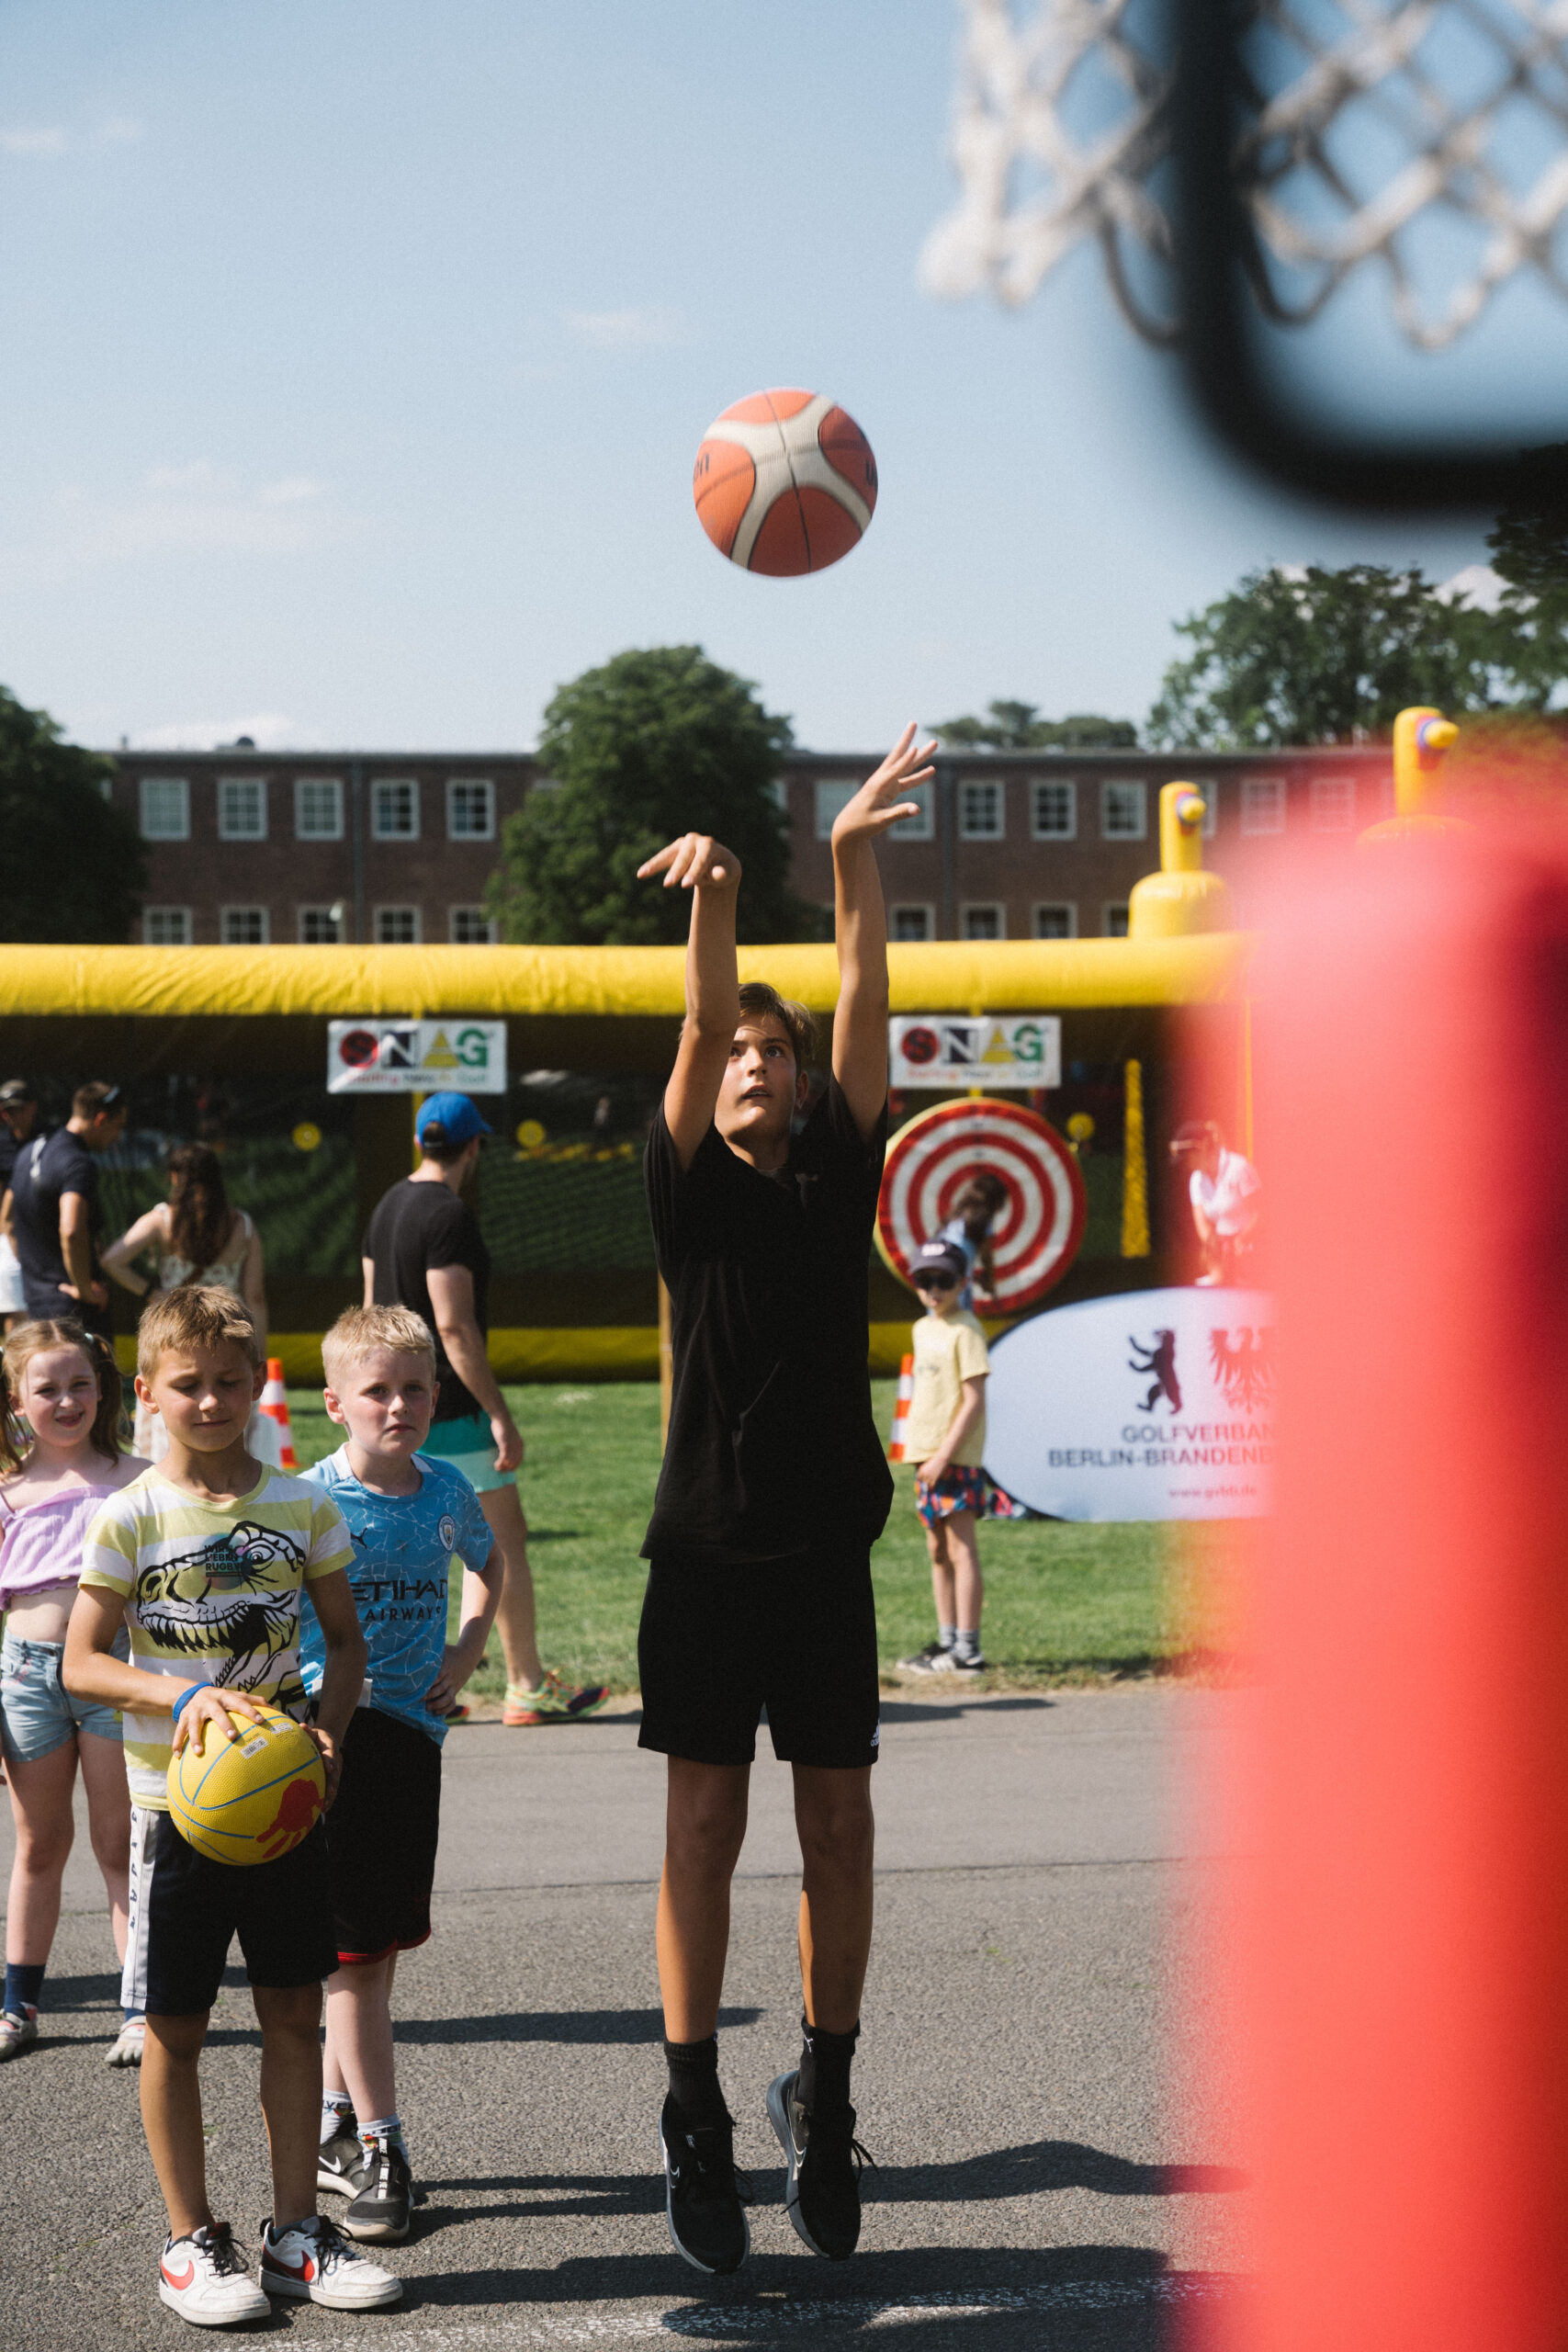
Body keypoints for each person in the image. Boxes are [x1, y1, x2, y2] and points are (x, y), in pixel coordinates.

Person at [635, 722, 934, 2276]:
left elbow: (867, 979)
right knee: (700, 1823)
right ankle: (695, 2113)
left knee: (837, 1827)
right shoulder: (685, 1183)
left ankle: (824, 2095)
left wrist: (847, 857)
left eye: (778, 1049)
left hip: (823, 1551)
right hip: (700, 1553)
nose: (758, 1054)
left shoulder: (838, 1169)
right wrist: (719, 899)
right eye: (741, 1049)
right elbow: (695, 1024)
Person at [62, 1286, 401, 2326]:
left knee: (295, 2016)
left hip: (284, 1809)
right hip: (178, 1813)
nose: (210, 1400)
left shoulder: (303, 1506)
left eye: (229, 1381)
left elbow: (343, 1644)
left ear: (258, 1384)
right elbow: (80, 1661)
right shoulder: (129, 1514)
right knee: (175, 2028)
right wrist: (181, 1693)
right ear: (151, 1394)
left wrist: (330, 1728)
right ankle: (188, 2239)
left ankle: (296, 2231)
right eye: (187, 1384)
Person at [301, 1305, 502, 2245]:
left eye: (415, 1386)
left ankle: (335, 2129)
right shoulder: (309, 1501)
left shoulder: (448, 1489)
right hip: (335, 1739)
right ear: (335, 1401)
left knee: (375, 1954)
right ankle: (382, 2146)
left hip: (414, 1739)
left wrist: (468, 1647)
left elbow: (491, 1564)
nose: (399, 1405)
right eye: (376, 1390)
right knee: (349, 1958)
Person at [361, 1091, 605, 1728]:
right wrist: (498, 1412)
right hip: (448, 1407)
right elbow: (455, 1327)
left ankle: (417, 1684)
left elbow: (369, 1317)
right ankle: (525, 1683)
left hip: (393, 1406)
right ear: (475, 1146)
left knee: (408, 1546)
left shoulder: (387, 1205)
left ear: (420, 1141)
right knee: (498, 1543)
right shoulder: (448, 1215)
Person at [0, 1319, 145, 2065]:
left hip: (115, 1676)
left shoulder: (137, 1479)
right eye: (46, 1388)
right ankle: (17, 2002)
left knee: (120, 1846)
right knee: (39, 1845)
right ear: (18, 1401)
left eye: (79, 1384)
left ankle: (138, 2007)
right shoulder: (8, 1490)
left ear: (103, 1389)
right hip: (26, 1680)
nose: (65, 1400)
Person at [102, 1142, 269, 1457]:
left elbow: (113, 1259)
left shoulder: (162, 1220)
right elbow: (255, 1296)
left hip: (173, 1334)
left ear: (175, 1177)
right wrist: (258, 1351)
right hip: (227, 1336)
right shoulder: (242, 1226)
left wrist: (150, 1292)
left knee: (173, 1409)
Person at [895, 1241, 992, 1677]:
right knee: (937, 1549)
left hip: (954, 1459)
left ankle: (969, 1651)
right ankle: (947, 1641)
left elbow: (973, 1401)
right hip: (926, 1460)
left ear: (962, 1282)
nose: (934, 1289)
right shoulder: (922, 1328)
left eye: (944, 1280)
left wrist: (944, 1456)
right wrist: (917, 1452)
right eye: (925, 1280)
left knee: (960, 1547)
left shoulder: (966, 1330)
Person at [6, 1080, 128, 1340]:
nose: (117, 1137)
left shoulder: (29, 1152)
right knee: (97, 1379)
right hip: (76, 1312)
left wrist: (37, 1274)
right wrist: (84, 1289)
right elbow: (71, 1229)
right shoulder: (77, 1163)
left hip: (37, 1306)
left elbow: (6, 1221)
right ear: (101, 1119)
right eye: (117, 1127)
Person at [1168, 1120, 1261, 1286]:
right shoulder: (1196, 1180)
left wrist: (1239, 1240)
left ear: (1203, 1146)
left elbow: (1261, 1214)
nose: (1186, 1164)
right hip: (1221, 1262)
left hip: (1252, 1257)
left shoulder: (1239, 1167)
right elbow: (1202, 1223)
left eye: (1188, 1157)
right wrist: (1216, 1249)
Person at [0, 1080, 42, 1335]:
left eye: (17, 1109)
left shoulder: (49, 1139)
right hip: (9, 1240)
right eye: (6, 1111)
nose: (11, 1116)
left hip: (43, 1238)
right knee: (17, 1311)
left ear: (33, 1106)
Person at [939, 1171, 1010, 1310]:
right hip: (957, 1282)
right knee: (963, 1323)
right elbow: (986, 1257)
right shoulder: (982, 1220)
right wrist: (989, 1281)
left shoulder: (955, 1215)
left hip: (937, 1277)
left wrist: (979, 1279)